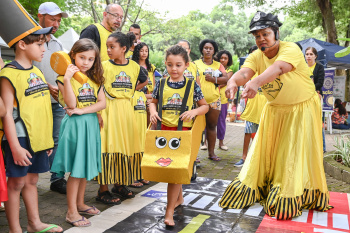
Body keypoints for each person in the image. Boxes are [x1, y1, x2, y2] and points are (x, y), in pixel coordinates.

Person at [219, 11, 332, 219]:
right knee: (265, 153)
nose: (261, 38)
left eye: (265, 33)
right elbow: (245, 72)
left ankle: (289, 194)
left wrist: (255, 83)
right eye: (257, 35)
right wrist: (233, 81)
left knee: (291, 154)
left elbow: (280, 67)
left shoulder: (291, 49)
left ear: (276, 32)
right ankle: (262, 187)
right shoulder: (256, 55)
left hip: (300, 108)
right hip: (274, 110)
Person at [0, 27, 63, 232]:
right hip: (18, 137)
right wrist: (16, 147)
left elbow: (42, 109)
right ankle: (15, 228)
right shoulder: (8, 74)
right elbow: (7, 113)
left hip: (38, 139)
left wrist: (46, 141)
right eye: (39, 44)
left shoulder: (37, 71)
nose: (44, 48)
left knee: (33, 179)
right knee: (16, 183)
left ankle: (34, 223)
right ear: (22, 44)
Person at [150, 45, 209, 226]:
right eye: (169, 65)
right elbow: (153, 102)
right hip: (164, 131)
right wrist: (152, 111)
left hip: (182, 134)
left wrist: (194, 112)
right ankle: (179, 199)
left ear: (186, 65)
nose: (173, 69)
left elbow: (205, 106)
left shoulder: (192, 86)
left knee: (174, 175)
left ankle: (169, 212)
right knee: (170, 171)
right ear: (165, 65)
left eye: (178, 65)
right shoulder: (160, 84)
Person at [51, 39, 106, 227]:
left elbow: (102, 103)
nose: (86, 62)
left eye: (90, 59)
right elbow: (71, 104)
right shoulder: (62, 78)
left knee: (83, 168)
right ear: (73, 54)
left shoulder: (95, 78)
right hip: (75, 126)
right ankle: (71, 212)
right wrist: (67, 78)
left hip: (89, 123)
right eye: (82, 57)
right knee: (76, 170)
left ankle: (81, 203)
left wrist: (84, 110)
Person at [96, 32, 148, 204]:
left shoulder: (135, 67)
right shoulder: (103, 65)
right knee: (108, 148)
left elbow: (137, 86)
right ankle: (102, 190)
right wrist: (98, 113)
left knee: (124, 147)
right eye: (107, 47)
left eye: (112, 47)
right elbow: (97, 90)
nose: (109, 50)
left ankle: (119, 184)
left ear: (124, 49)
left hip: (127, 110)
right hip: (108, 110)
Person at [33, 1, 69, 194]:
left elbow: (61, 70)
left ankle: (57, 179)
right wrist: (46, 86)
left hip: (56, 101)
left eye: (58, 20)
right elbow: (25, 70)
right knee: (34, 139)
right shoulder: (29, 38)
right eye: (52, 19)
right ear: (40, 17)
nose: (56, 24)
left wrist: (61, 87)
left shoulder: (58, 43)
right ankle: (28, 180)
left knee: (58, 139)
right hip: (34, 100)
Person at [194, 39, 228, 161]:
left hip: (214, 100)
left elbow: (226, 79)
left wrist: (214, 80)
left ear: (214, 51)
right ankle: (194, 155)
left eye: (210, 48)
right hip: (198, 101)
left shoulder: (218, 65)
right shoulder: (195, 64)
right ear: (202, 50)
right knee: (196, 128)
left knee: (212, 126)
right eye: (205, 48)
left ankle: (211, 153)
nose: (208, 50)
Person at [234, 45, 267, 167]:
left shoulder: (268, 70)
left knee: (264, 135)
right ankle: (244, 157)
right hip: (252, 107)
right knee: (248, 133)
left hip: (266, 108)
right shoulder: (249, 72)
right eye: (253, 54)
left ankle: (261, 160)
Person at [130, 42, 154, 187]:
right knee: (134, 140)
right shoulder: (131, 65)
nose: (144, 53)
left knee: (144, 139)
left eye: (146, 51)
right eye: (142, 50)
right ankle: (132, 174)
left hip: (145, 102)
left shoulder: (150, 67)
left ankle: (141, 173)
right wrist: (135, 90)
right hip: (133, 102)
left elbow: (152, 85)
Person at [304, 46, 326, 152]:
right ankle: (308, 147)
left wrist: (309, 87)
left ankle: (322, 148)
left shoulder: (319, 67)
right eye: (307, 54)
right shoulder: (302, 67)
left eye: (311, 54)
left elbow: (319, 83)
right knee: (305, 123)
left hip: (315, 97)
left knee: (317, 122)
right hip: (303, 98)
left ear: (315, 56)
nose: (308, 56)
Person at [215, 50, 234, 151]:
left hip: (222, 99)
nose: (223, 60)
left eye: (225, 58)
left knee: (221, 121)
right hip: (212, 98)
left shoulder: (229, 71)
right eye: (221, 58)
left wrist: (213, 82)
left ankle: (221, 143)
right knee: (207, 121)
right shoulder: (213, 67)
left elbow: (224, 82)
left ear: (228, 60)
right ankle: (204, 143)